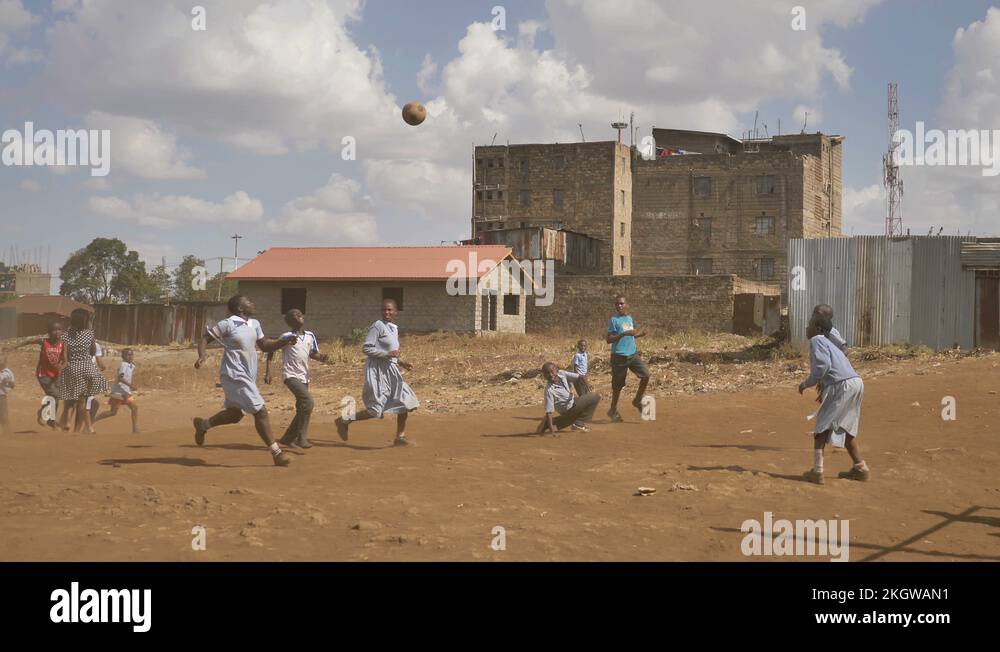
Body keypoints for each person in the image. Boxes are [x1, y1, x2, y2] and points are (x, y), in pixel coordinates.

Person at [193, 295, 298, 467]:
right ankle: (277, 453)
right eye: (248, 301)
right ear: (240, 308)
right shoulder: (228, 324)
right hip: (233, 374)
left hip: (247, 376)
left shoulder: (254, 324)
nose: (253, 303)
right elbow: (205, 338)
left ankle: (204, 425)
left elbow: (265, 346)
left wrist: (283, 341)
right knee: (260, 411)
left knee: (235, 414)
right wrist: (202, 356)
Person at [335, 298, 419, 447]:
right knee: (375, 410)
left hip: (391, 370)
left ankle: (400, 436)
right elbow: (366, 348)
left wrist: (401, 362)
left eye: (389, 310)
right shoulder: (377, 326)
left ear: (395, 312)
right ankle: (345, 420)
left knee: (405, 401)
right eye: (384, 309)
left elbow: (392, 352)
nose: (386, 312)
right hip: (377, 372)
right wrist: (387, 355)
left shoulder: (394, 328)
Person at [798, 313, 869, 485]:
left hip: (842, 385)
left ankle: (817, 471)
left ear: (818, 329)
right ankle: (860, 467)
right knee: (846, 427)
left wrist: (806, 383)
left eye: (810, 325)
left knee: (821, 427)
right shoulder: (830, 343)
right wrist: (825, 387)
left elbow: (823, 366)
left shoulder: (817, 340)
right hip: (855, 382)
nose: (807, 328)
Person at [265, 309, 328, 449]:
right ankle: (301, 437)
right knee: (308, 402)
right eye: (295, 316)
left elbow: (312, 353)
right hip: (291, 376)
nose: (299, 316)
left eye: (300, 314)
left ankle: (287, 438)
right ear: (290, 321)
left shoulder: (310, 335)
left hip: (304, 376)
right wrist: (268, 372)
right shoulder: (286, 336)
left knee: (302, 408)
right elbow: (271, 350)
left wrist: (322, 358)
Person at [50, 308, 108, 434]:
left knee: (71, 399)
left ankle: (69, 423)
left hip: (72, 369)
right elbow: (92, 351)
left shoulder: (65, 336)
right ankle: (85, 428)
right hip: (88, 369)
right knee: (83, 401)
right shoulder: (89, 334)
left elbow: (65, 355)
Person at [10, 320, 65, 428]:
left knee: (55, 398)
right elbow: (28, 341)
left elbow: (65, 359)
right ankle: (46, 415)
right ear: (49, 332)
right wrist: (13, 347)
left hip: (56, 374)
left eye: (59, 329)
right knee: (55, 395)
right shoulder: (44, 342)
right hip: (43, 374)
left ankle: (49, 419)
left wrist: (61, 367)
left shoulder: (63, 344)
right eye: (54, 330)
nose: (57, 332)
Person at [605, 296, 650, 422]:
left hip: (632, 354)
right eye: (617, 304)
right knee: (617, 386)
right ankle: (613, 410)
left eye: (621, 304)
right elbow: (609, 340)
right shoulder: (614, 320)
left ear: (626, 305)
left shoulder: (629, 318)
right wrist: (624, 334)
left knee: (646, 375)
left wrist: (640, 334)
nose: (619, 306)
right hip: (619, 356)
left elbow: (631, 336)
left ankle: (637, 400)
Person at [536, 361, 600, 434]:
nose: (550, 375)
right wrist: (552, 432)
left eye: (552, 371)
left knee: (571, 419)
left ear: (556, 370)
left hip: (573, 403)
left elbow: (580, 377)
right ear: (544, 376)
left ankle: (548, 423)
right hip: (568, 410)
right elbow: (549, 412)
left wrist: (588, 385)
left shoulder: (562, 373)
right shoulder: (549, 390)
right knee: (595, 396)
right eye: (547, 373)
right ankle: (578, 424)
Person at [94, 348, 140, 434]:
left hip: (126, 393)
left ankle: (135, 429)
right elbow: (120, 377)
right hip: (119, 393)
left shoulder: (131, 365)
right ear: (123, 356)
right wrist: (131, 385)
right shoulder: (123, 365)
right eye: (128, 355)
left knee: (134, 408)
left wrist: (131, 386)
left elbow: (129, 376)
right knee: (112, 412)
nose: (131, 356)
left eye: (132, 354)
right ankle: (93, 420)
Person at [0, 354, 14, 436]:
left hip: (2, 396)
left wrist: (9, 382)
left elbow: (13, 386)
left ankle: (7, 433)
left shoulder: (8, 372)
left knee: (4, 414)